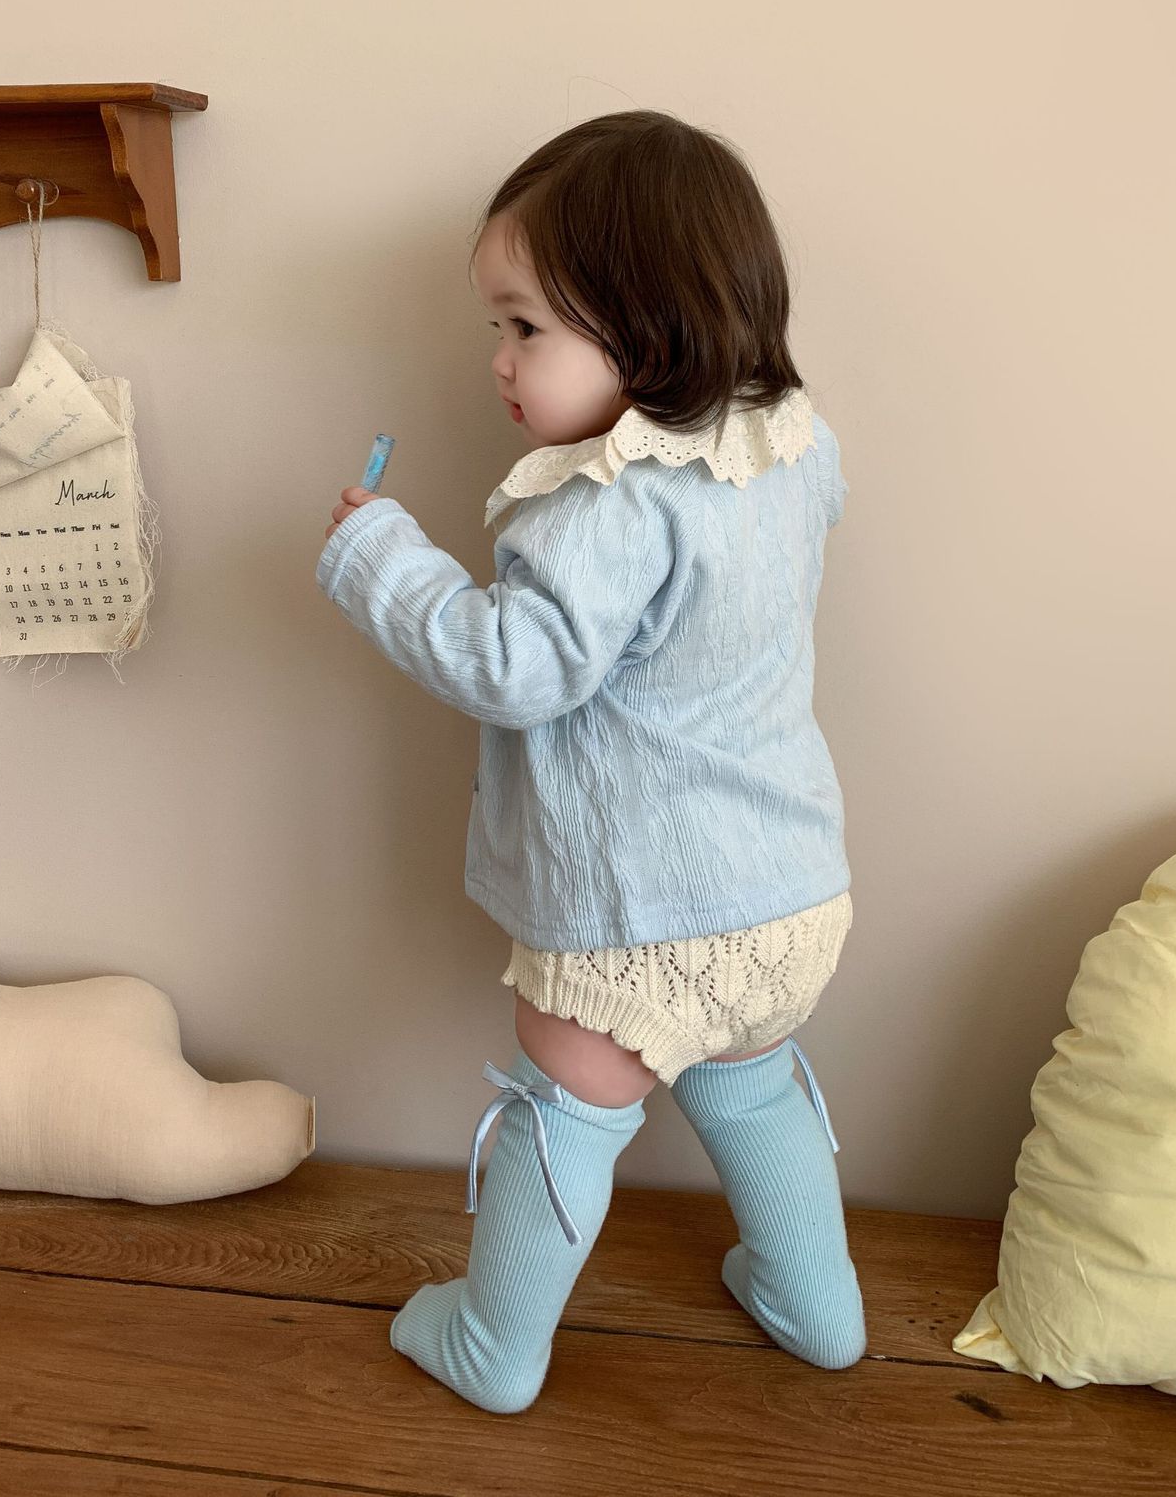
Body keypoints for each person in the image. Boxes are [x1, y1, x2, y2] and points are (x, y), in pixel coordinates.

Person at [316, 109, 864, 1413]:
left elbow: (514, 666)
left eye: (525, 328)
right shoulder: (793, 446)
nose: (498, 362)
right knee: (757, 1089)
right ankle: (819, 1307)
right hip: (788, 895)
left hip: (631, 920)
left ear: (651, 326)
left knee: (564, 1110)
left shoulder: (606, 502)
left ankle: (493, 1345)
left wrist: (380, 556)